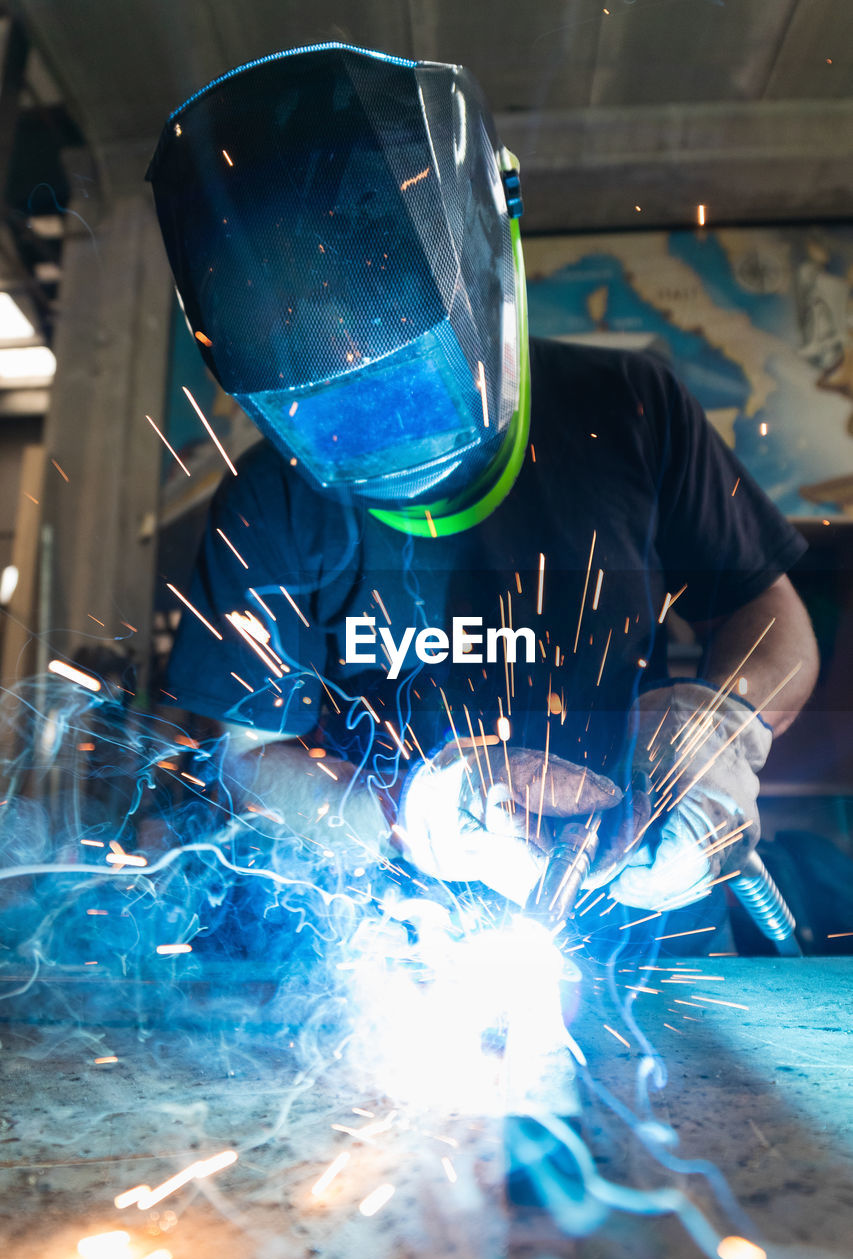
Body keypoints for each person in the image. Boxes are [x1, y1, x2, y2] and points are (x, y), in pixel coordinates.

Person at [148, 44, 818, 926]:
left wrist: (717, 731)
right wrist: (402, 813)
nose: (388, 439)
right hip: (388, 937)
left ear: (491, 250)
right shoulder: (270, 498)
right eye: (335, 414)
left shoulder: (628, 407)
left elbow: (773, 619)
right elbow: (242, 759)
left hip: (626, 898)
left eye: (410, 386)